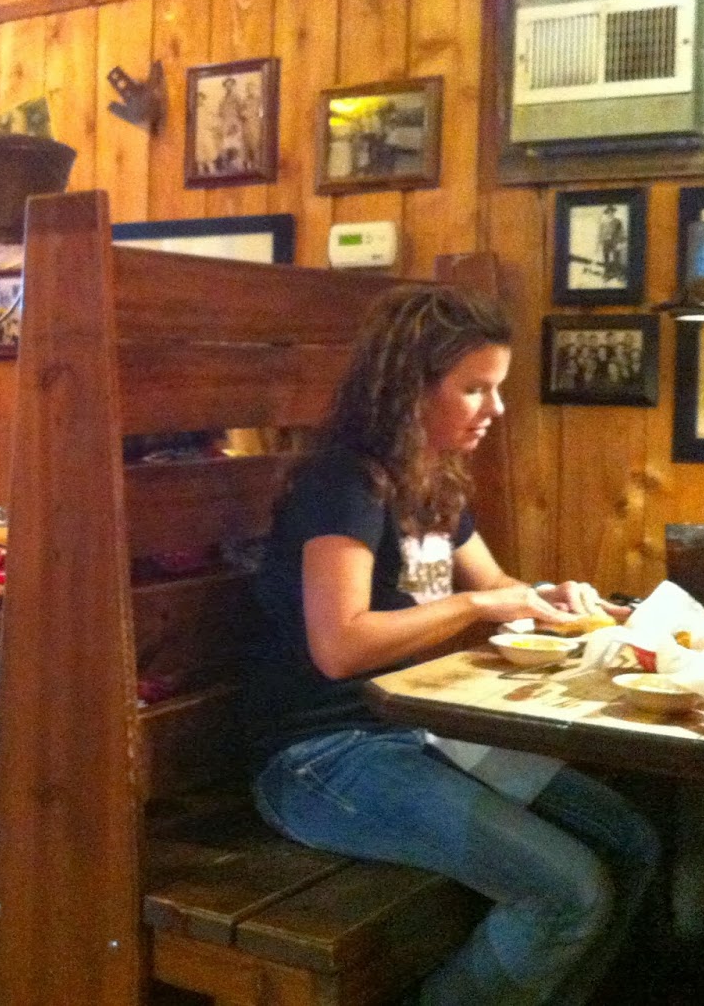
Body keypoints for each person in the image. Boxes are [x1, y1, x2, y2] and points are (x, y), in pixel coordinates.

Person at [241, 285, 658, 1006]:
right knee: (570, 891)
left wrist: (553, 600)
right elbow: (338, 645)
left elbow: (495, 583)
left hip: (423, 732)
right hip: (321, 757)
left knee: (631, 841)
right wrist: (480, 603)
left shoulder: (435, 478)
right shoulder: (344, 481)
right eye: (475, 389)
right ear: (409, 387)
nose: (495, 410)